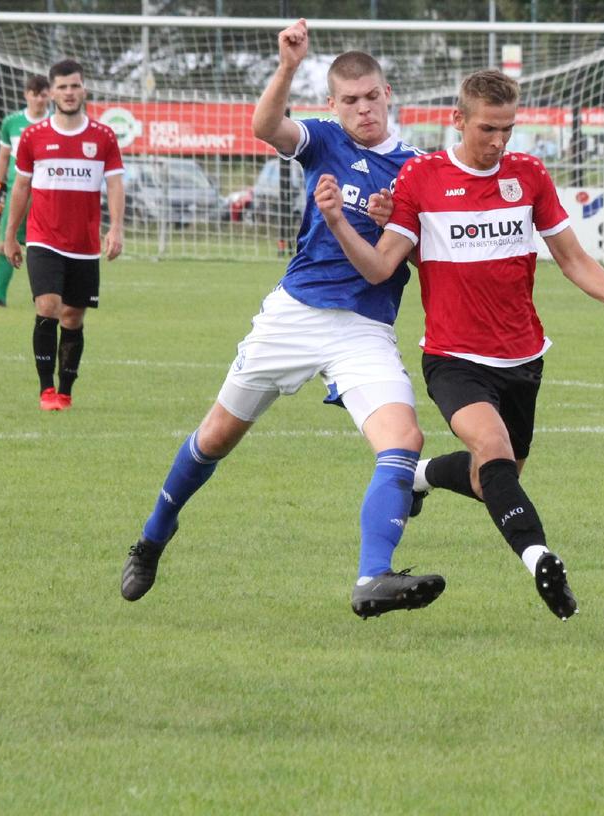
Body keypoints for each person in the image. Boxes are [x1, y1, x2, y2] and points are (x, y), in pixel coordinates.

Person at [311, 68, 604, 620]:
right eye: (487, 130)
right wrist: (337, 222)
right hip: (453, 358)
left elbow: (572, 257)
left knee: (493, 479)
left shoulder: (528, 174)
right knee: (493, 450)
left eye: (508, 129)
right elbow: (381, 266)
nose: (499, 142)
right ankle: (541, 560)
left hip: (524, 358)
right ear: (458, 121)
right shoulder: (421, 178)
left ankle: (422, 475)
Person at [120, 20, 445, 620]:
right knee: (216, 436)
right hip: (293, 315)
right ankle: (152, 538)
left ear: (388, 93)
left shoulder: (419, 168)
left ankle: (373, 577)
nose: (363, 109)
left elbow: (423, 250)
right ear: (333, 104)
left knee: (403, 441)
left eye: (372, 96)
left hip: (364, 327)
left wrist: (398, 214)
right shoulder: (322, 140)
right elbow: (266, 127)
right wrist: (288, 66)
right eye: (350, 100)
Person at [4, 59, 123, 411]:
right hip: (42, 239)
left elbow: (115, 183)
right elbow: (21, 187)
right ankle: (45, 390)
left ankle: (66, 390)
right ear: (51, 92)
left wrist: (116, 228)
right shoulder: (33, 136)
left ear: (83, 89)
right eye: (62, 87)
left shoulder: (102, 137)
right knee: (48, 306)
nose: (69, 93)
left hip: (85, 244)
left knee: (73, 317)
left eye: (75, 86)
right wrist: (11, 235)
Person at [0, 75, 50, 308]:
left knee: (44, 246)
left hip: (45, 193)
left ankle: (45, 296)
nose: (39, 99)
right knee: (5, 243)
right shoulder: (11, 122)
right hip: (17, 191)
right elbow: (4, 157)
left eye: (43, 95)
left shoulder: (55, 122)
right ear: (26, 95)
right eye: (35, 94)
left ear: (49, 96)